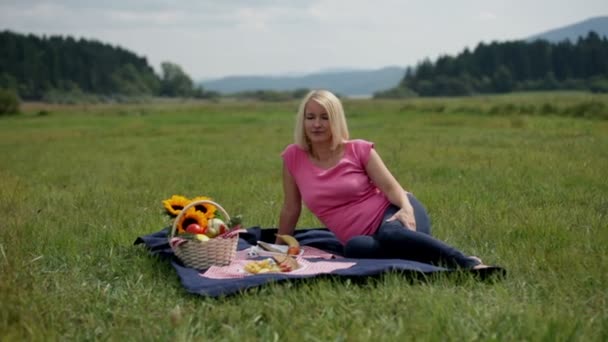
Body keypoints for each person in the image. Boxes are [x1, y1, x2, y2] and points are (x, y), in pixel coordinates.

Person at [276, 89, 496, 271]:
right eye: (310, 117)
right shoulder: (293, 157)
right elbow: (290, 208)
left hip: (392, 213)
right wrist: (278, 249)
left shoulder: (358, 149)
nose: (317, 124)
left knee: (392, 234)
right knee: (354, 248)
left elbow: (392, 188)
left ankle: (465, 262)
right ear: (302, 121)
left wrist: (406, 208)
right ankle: (421, 255)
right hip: (365, 237)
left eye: (325, 117)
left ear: (336, 121)